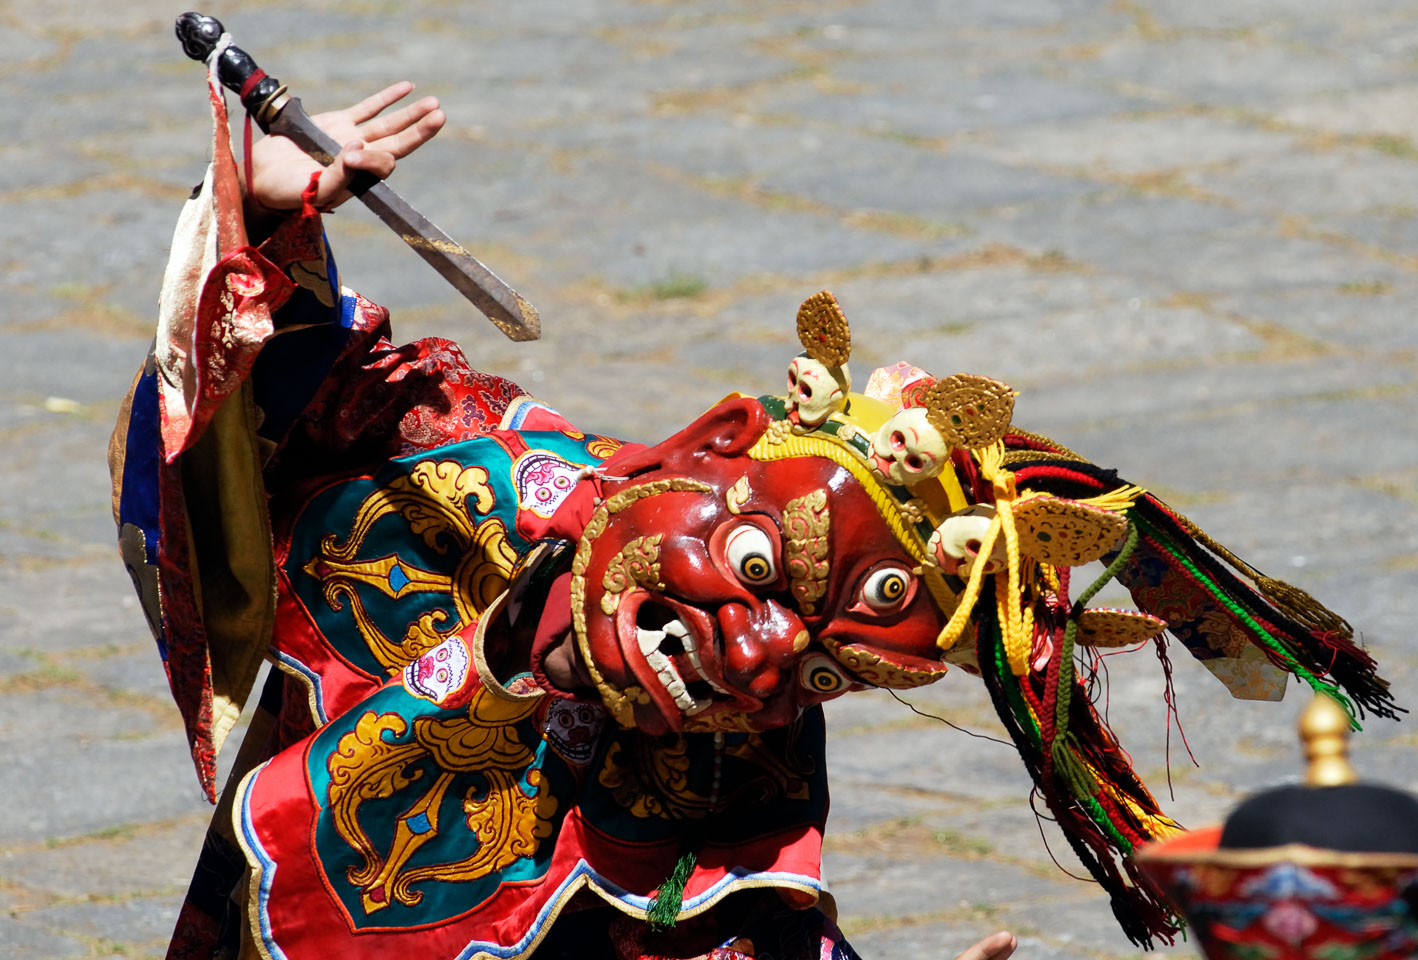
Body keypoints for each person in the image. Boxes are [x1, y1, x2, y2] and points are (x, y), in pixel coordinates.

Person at [110, 77, 1394, 960]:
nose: (765, 656)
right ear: (712, 452)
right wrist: (262, 215)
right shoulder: (485, 476)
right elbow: (248, 413)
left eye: (824, 666)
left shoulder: (738, 740)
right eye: (762, 574)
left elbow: (745, 921)